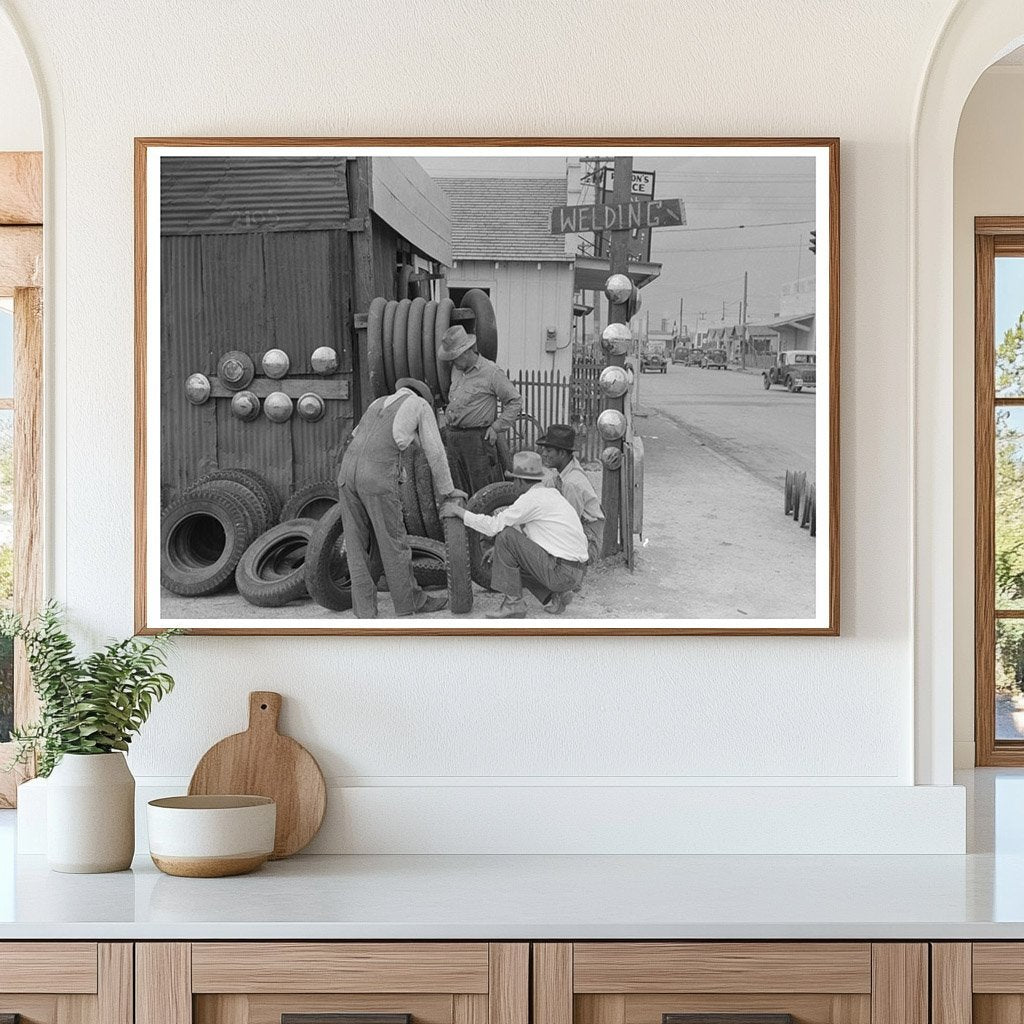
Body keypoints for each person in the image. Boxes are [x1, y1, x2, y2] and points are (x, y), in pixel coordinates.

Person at [338, 377, 463, 618]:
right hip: (375, 478)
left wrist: (396, 470)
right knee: (393, 542)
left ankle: (364, 612)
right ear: (422, 396)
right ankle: (410, 603)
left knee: (355, 545)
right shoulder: (419, 405)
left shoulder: (377, 403)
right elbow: (435, 452)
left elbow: (362, 440)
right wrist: (447, 490)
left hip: (347, 473)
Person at [441, 450, 588, 619]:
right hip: (575, 571)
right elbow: (539, 539)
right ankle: (557, 595)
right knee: (510, 549)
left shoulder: (530, 499)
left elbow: (493, 526)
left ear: (518, 480)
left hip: (561, 572)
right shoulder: (550, 494)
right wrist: (500, 551)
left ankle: (513, 604)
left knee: (505, 535)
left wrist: (459, 512)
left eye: (513, 480)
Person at [437, 324, 523, 496]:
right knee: (458, 489)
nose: (452, 362)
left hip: (478, 441)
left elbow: (515, 401)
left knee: (482, 490)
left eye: (455, 357)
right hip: (454, 439)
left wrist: (497, 427)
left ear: (467, 351)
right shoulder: (457, 371)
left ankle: (486, 522)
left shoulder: (491, 372)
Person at [536, 423, 605, 564]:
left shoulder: (571, 483)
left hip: (589, 540)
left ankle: (566, 576)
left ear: (562, 453)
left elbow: (569, 525)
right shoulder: (563, 472)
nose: (544, 454)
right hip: (581, 533)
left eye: (549, 451)